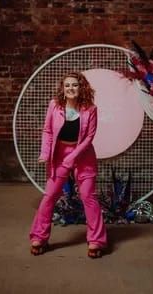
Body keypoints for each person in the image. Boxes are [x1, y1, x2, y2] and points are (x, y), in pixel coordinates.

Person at [29, 71, 107, 258]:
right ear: (63, 89)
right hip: (59, 155)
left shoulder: (91, 109)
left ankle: (96, 240)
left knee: (88, 196)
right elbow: (48, 130)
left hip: (83, 155)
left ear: (81, 88)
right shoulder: (54, 105)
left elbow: (89, 138)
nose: (71, 88)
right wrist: (45, 153)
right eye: (67, 85)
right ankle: (39, 236)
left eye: (75, 85)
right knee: (50, 195)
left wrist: (73, 157)